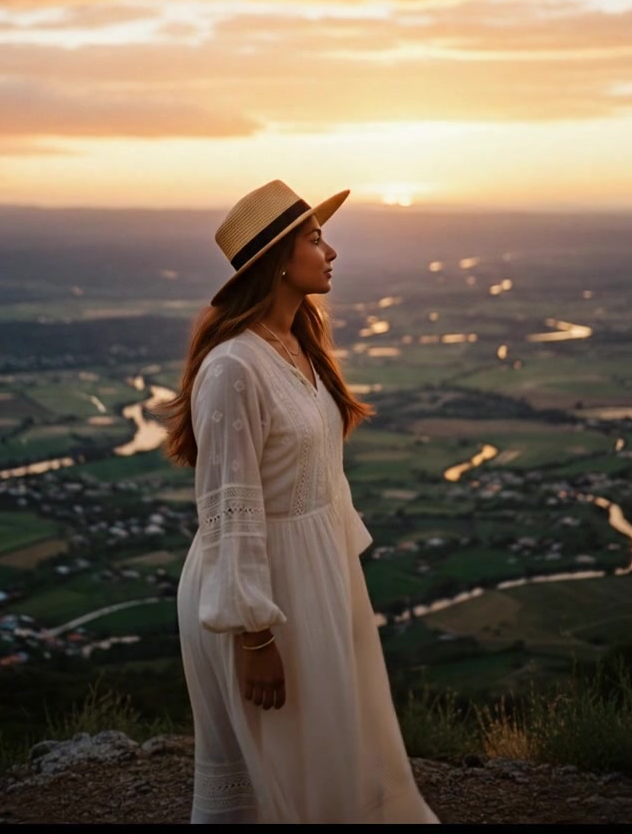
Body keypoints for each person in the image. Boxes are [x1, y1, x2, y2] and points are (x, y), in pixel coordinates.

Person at [161, 179, 439, 824]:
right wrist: (254, 637)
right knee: (278, 773)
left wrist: (338, 574)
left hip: (315, 572)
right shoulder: (234, 368)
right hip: (259, 591)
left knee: (327, 752)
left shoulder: (301, 351)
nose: (332, 252)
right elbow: (229, 507)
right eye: (316, 239)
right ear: (278, 260)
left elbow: (322, 481)